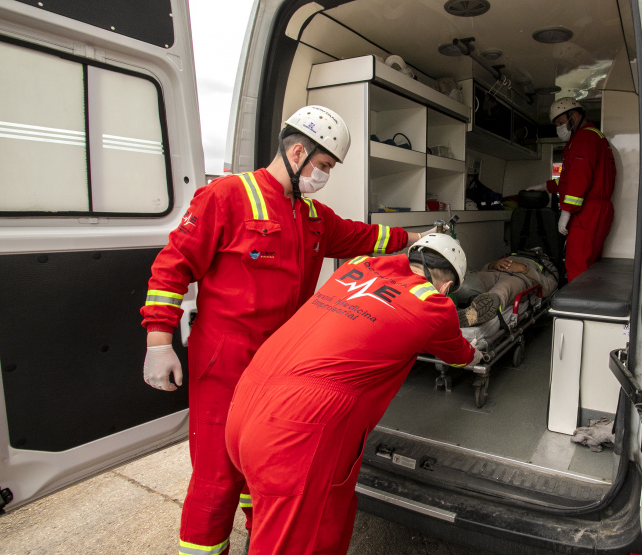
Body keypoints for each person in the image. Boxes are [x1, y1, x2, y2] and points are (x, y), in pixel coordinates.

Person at [140, 105, 429, 555]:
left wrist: (412, 242)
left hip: (281, 367)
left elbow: (361, 237)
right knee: (217, 476)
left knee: (271, 466)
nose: (324, 176)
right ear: (297, 152)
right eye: (324, 166)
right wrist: (159, 341)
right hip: (225, 360)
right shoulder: (226, 197)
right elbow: (172, 267)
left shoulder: (311, 215)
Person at [224, 234, 483, 554]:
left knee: (286, 521)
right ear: (446, 286)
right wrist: (476, 356)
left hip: (245, 401)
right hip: (296, 429)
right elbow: (456, 354)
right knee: (301, 542)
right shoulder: (432, 304)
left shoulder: (354, 268)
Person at [528, 97, 616, 281]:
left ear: (574, 116)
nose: (559, 127)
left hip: (587, 212)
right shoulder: (592, 136)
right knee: (589, 264)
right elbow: (573, 178)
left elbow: (579, 178)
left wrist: (567, 212)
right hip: (597, 210)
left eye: (561, 122)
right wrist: (546, 186)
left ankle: (577, 306)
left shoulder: (584, 138)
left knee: (577, 265)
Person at [453, 249, 560, 327]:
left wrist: (525, 269)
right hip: (494, 272)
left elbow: (549, 287)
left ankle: (473, 315)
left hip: (520, 278)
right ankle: (448, 308)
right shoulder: (511, 254)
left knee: (503, 289)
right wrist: (492, 265)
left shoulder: (547, 264)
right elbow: (483, 269)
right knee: (469, 282)